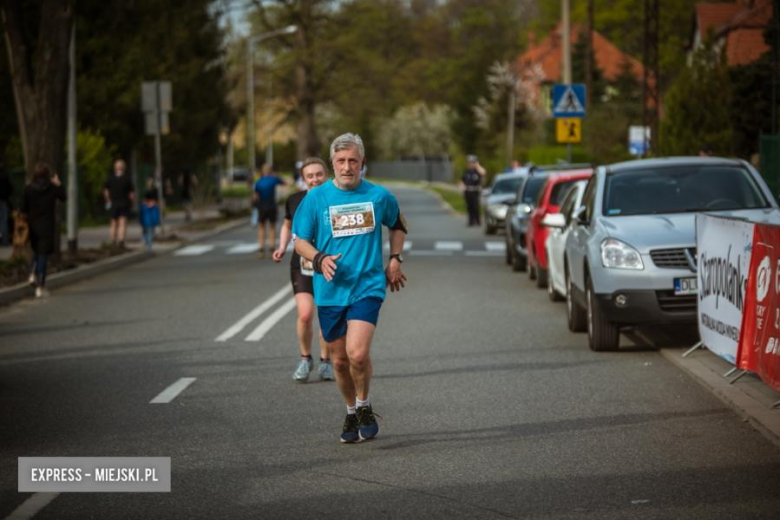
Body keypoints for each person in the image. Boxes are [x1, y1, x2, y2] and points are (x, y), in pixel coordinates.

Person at [293, 133, 408, 443]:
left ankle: (364, 404)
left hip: (367, 286)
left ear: (362, 163)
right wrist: (319, 259)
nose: (347, 167)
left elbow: (398, 225)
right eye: (341, 161)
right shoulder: (315, 199)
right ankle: (350, 411)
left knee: (357, 354)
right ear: (333, 164)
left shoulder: (379, 196)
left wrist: (395, 259)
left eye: (353, 161)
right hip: (330, 290)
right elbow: (299, 241)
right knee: (340, 361)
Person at [272, 157, 334, 383]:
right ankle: (305, 358)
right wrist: (281, 246)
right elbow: (287, 225)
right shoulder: (295, 200)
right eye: (310, 176)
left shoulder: (334, 199)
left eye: (319, 174)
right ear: (303, 179)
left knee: (326, 315)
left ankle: (326, 361)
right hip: (302, 266)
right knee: (306, 314)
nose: (315, 179)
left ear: (326, 175)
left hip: (328, 264)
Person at [22, 162, 66, 298]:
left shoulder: (28, 189)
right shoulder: (52, 188)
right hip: (47, 225)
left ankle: (32, 273)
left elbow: (22, 208)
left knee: (37, 251)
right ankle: (40, 286)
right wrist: (58, 184)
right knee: (43, 255)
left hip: (33, 225)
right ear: (48, 175)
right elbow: (63, 197)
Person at [252, 163, 287, 259]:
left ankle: (261, 248)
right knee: (272, 226)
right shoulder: (274, 179)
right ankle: (272, 247)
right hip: (271, 205)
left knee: (261, 226)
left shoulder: (258, 182)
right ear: (271, 171)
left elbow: (255, 196)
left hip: (261, 206)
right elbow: (285, 183)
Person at [103, 159, 135, 248]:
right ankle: (121, 241)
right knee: (122, 223)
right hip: (124, 203)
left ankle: (113, 241)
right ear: (124, 168)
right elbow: (131, 194)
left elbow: (106, 191)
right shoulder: (127, 179)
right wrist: (131, 203)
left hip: (113, 203)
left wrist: (108, 200)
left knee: (113, 223)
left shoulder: (110, 178)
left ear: (115, 168)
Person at [459, 154, 486, 227]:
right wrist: (461, 189)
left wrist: (477, 165)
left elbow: (483, 173)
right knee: (469, 206)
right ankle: (471, 221)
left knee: (475, 206)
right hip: (468, 190)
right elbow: (462, 180)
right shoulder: (466, 171)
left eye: (472, 162)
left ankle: (477, 221)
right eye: (469, 162)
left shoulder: (477, 171)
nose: (470, 164)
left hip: (475, 190)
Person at [139, 178, 160, 250]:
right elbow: (144, 200)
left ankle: (149, 242)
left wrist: (154, 203)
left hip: (152, 210)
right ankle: (146, 241)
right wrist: (147, 204)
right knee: (146, 228)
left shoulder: (155, 191)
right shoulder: (145, 191)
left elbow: (157, 200)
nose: (150, 183)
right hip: (147, 211)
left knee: (151, 228)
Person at [0, 164, 12, 246]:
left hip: (3, 199)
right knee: (4, 221)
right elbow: (10, 188)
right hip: (3, 200)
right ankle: (5, 240)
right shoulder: (5, 177)